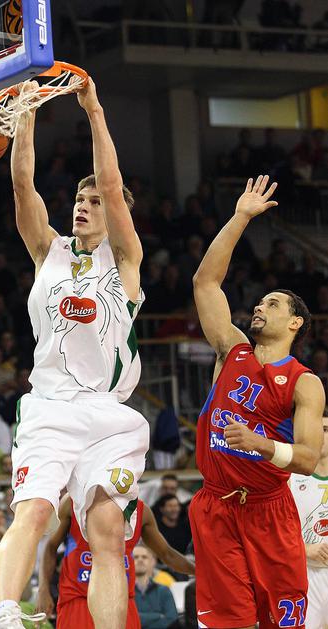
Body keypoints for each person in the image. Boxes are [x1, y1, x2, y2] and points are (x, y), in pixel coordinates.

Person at [0, 77, 149, 629]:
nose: (84, 205)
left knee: (107, 532)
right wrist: (26, 110)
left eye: (95, 201)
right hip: (52, 406)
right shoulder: (48, 251)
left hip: (109, 414)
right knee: (34, 509)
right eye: (80, 199)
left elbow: (112, 181)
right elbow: (22, 184)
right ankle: (6, 614)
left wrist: (94, 110)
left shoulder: (124, 259)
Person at [190, 174, 326, 628]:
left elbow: (307, 459)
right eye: (260, 302)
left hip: (270, 508)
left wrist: (260, 444)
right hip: (216, 504)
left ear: (295, 323)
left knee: (282, 621)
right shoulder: (232, 350)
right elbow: (206, 283)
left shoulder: (304, 383)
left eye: (272, 304)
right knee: (229, 621)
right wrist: (240, 217)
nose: (259, 308)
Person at [38, 496, 194, 628]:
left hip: (122, 601)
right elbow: (51, 547)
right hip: (79, 599)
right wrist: (43, 590)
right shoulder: (73, 501)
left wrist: (200, 571)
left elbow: (167, 554)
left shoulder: (141, 511)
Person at [290, 409, 328, 629]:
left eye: (326, 429)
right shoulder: (289, 479)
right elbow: (272, 534)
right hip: (305, 572)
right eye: (316, 429)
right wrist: (303, 549)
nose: (320, 435)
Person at [134, 545, 179, 629]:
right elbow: (125, 619)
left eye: (144, 557)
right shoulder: (123, 593)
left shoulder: (164, 590)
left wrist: (138, 618)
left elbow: (172, 619)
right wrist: (157, 616)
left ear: (153, 562)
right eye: (135, 557)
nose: (140, 560)